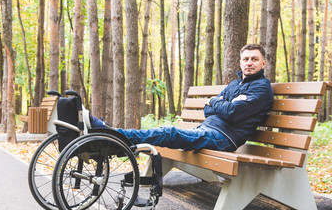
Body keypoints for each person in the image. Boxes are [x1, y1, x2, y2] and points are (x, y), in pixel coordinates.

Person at [90, 44, 274, 152]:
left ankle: (111, 135)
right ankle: (113, 142)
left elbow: (232, 113)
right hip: (207, 130)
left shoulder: (261, 88)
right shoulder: (235, 84)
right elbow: (207, 108)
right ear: (240, 62)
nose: (249, 63)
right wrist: (220, 104)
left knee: (169, 133)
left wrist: (217, 102)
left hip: (223, 138)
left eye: (254, 59)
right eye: (246, 59)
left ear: (263, 63)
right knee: (163, 131)